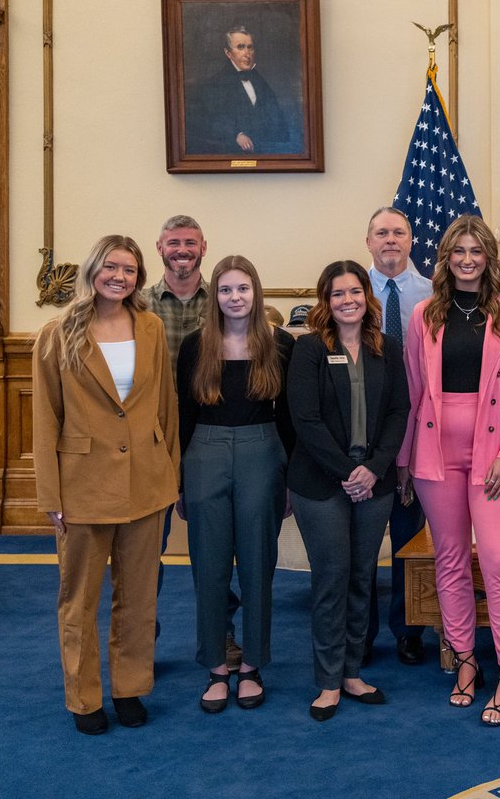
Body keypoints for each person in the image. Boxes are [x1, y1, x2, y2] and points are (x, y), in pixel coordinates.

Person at [33, 235, 180, 735]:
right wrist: (50, 494)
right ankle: (84, 697)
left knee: (138, 598)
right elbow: (45, 419)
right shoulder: (56, 333)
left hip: (146, 483)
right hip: (82, 488)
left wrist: (170, 474)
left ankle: (130, 688)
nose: (120, 277)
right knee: (79, 601)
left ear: (139, 278)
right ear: (93, 269)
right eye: (111, 267)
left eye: (130, 270)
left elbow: (165, 406)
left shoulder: (151, 327)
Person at [399, 215, 500, 726]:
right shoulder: (424, 315)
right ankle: (464, 660)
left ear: (488, 258)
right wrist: (404, 460)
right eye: (458, 251)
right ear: (445, 257)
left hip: (495, 456)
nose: (467, 259)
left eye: (476, 251)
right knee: (451, 560)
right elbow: (414, 391)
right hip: (435, 453)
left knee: (499, 559)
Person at [286, 261, 410, 721]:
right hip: (322, 483)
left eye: (354, 291)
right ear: (326, 300)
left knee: (363, 576)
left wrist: (373, 470)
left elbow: (400, 412)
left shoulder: (387, 348)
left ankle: (353, 672)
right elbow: (305, 419)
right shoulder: (310, 349)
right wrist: (348, 472)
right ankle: (328, 681)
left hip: (374, 482)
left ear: (367, 296)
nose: (347, 300)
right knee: (332, 577)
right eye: (337, 294)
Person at [176, 256, 295, 713]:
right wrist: (181, 481)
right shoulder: (195, 345)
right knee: (209, 565)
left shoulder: (280, 344)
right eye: (225, 290)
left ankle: (252, 666)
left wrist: (289, 478)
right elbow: (184, 414)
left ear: (256, 292)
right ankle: (216, 667)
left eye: (243, 288)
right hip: (203, 453)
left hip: (262, 453)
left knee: (258, 563)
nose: (235, 297)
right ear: (215, 296)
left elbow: (288, 418)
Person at [146, 214, 242, 668]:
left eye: (190, 242)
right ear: (159, 248)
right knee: (145, 551)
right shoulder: (138, 306)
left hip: (209, 438)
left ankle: (221, 635)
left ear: (204, 247)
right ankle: (139, 642)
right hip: (150, 443)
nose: (181, 250)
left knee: (215, 548)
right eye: (173, 243)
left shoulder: (223, 301)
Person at [362, 207, 434, 667]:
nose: (390, 239)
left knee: (410, 537)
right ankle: (361, 632)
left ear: (411, 240)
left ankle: (409, 629)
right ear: (368, 241)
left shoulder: (434, 294)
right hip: (365, 434)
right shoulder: (350, 291)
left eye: (399, 232)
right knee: (363, 544)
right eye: (381, 232)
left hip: (418, 431)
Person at [187, 25, 298, 155]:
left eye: (250, 47)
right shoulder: (216, 83)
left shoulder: (260, 81)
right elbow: (209, 121)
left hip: (265, 150)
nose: (247, 53)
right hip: (231, 152)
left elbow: (277, 120)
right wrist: (237, 134)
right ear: (228, 53)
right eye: (240, 47)